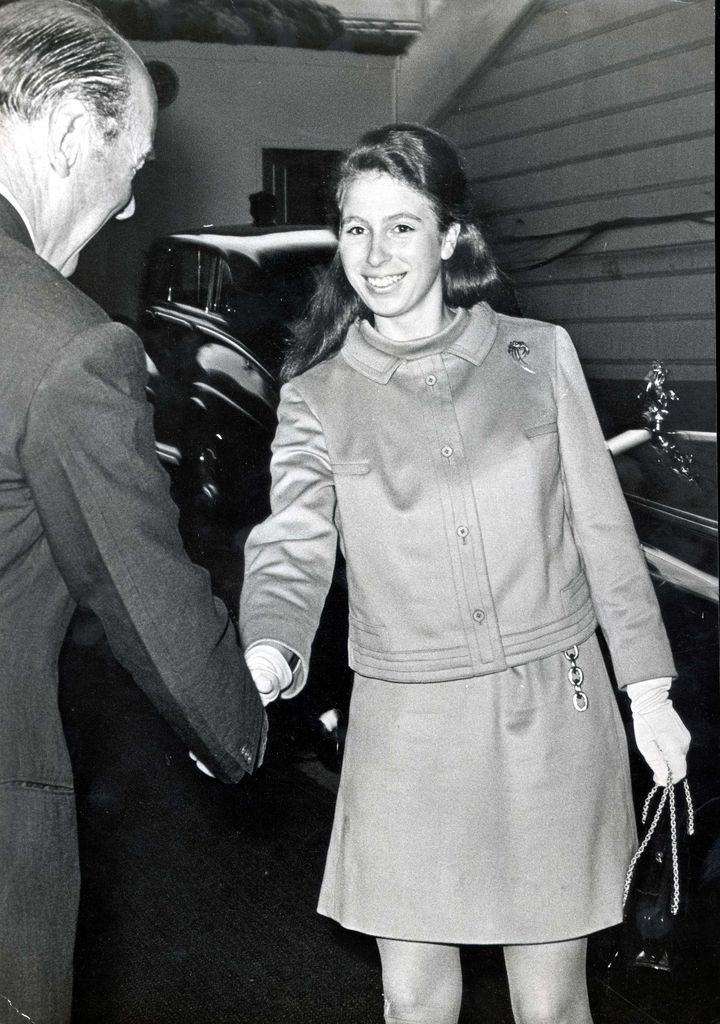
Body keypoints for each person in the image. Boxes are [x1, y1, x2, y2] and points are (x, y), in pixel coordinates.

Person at [239, 123, 691, 1024]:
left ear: (450, 237)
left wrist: (648, 693)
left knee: (553, 1004)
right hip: (408, 728)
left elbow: (605, 536)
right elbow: (292, 543)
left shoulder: (539, 354)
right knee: (415, 1005)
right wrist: (269, 650)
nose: (375, 254)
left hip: (550, 720)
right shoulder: (317, 396)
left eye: (402, 227)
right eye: (356, 229)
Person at [0, 3, 266, 1021]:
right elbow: (141, 590)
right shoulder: (64, 343)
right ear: (74, 130)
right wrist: (237, 723)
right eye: (135, 167)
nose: (123, 209)